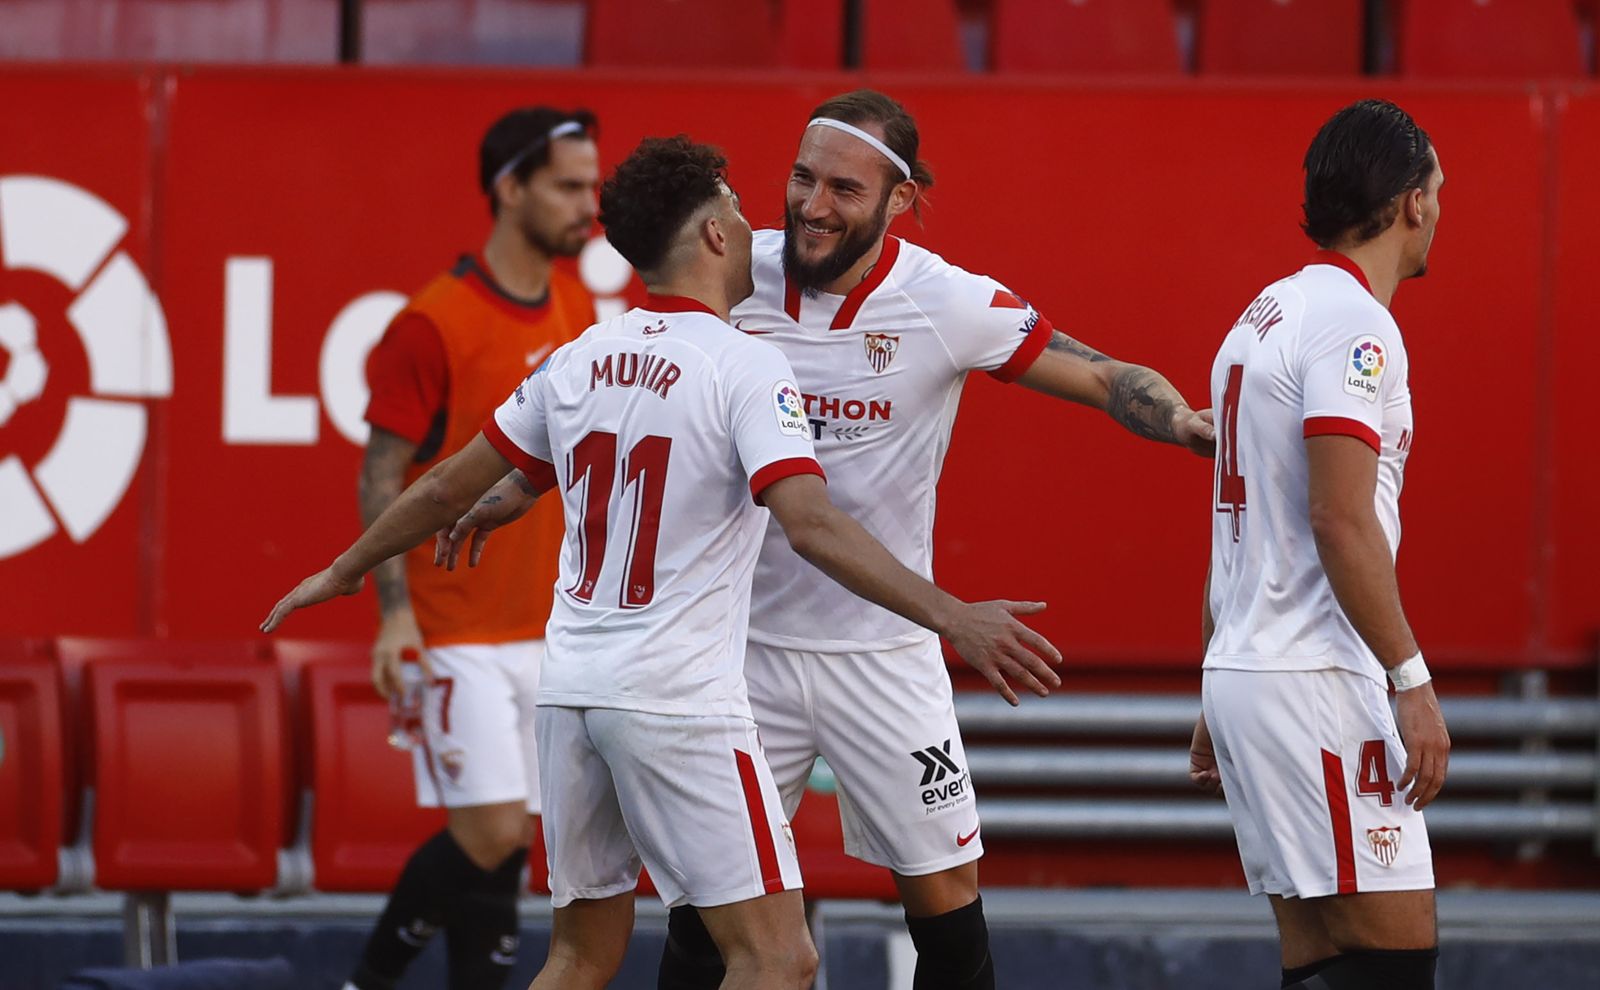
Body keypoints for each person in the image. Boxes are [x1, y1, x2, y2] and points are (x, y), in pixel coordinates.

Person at [450, 89, 1215, 990]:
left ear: (901, 199)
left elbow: (1101, 374)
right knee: (704, 934)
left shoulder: (946, 302)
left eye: (844, 189)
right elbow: (626, 387)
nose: (813, 206)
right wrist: (518, 483)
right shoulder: (733, 269)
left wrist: (1183, 423)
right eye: (802, 178)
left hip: (885, 654)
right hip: (737, 660)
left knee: (951, 921)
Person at [264, 135, 1061, 990]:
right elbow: (813, 527)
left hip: (569, 690)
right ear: (716, 236)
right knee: (780, 959)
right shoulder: (748, 364)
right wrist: (952, 615)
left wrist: (344, 570)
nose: (765, 220)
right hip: (678, 700)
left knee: (577, 957)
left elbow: (443, 488)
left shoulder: (577, 355)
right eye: (737, 208)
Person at [1187, 99, 1450, 990]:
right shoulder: (1357, 324)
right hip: (1316, 681)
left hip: (1259, 669)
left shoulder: (1265, 312)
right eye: (1439, 191)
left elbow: (1237, 522)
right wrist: (1411, 682)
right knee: (1395, 962)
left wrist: (1219, 666)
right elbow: (1340, 520)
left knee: (1324, 958)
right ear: (1411, 201)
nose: (1441, 213)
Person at [348, 106, 599, 990]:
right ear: (510, 189)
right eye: (569, 187)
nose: (589, 207)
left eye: (593, 187)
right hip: (453, 629)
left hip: (546, 626)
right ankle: (367, 981)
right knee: (490, 830)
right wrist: (395, 617)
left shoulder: (574, 302)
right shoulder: (432, 323)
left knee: (513, 845)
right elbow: (381, 479)